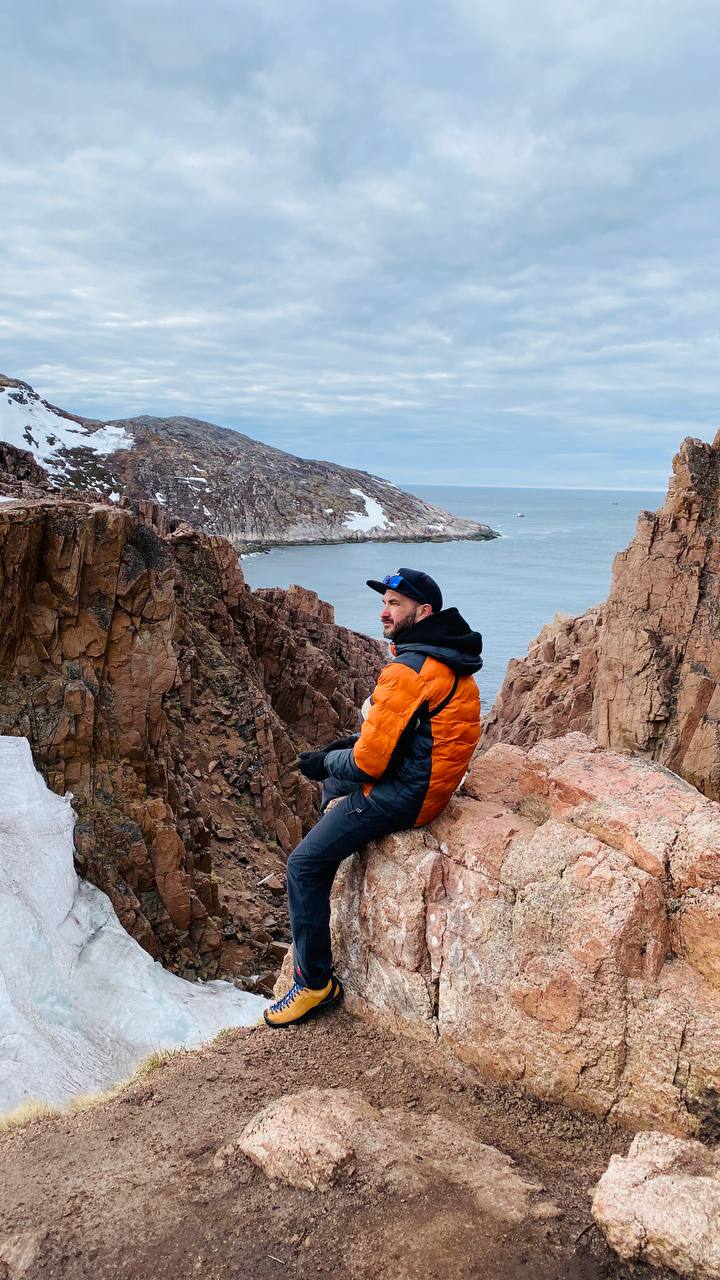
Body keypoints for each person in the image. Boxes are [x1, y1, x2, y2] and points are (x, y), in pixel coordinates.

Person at [263, 567, 483, 1028]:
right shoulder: (444, 655)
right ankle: (329, 836)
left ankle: (314, 985)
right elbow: (401, 733)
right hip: (425, 780)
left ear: (424, 612)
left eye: (395, 604)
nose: (384, 612)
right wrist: (338, 755)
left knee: (303, 865)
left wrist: (325, 762)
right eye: (384, 602)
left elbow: (368, 766)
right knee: (332, 789)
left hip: (404, 797)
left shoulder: (408, 670)